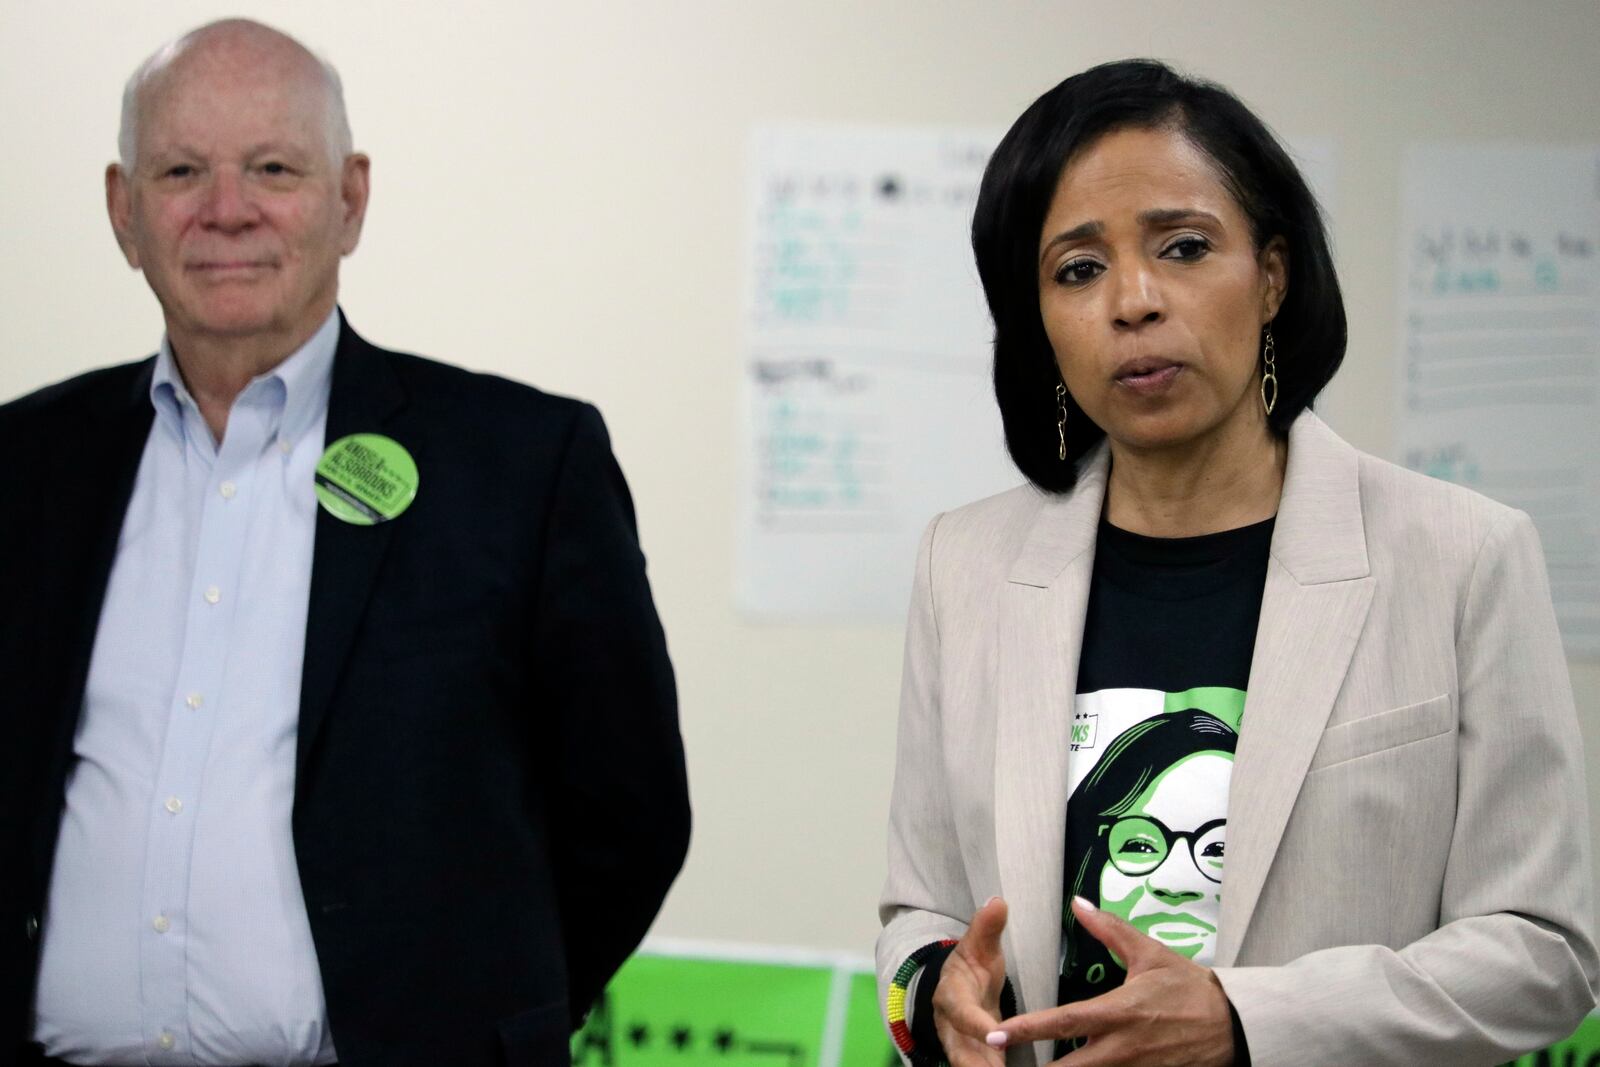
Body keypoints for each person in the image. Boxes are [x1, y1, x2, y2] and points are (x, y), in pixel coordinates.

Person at [876, 58, 1597, 1067]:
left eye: (1181, 246)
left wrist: (1245, 1019)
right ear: (1037, 318)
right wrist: (933, 988)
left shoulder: (1462, 554)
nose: (1132, 300)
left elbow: (1542, 949)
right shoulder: (966, 562)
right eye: (1076, 268)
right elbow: (919, 902)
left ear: (1271, 274)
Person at [1, 19, 689, 1067]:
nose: (227, 209)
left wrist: (483, 1015)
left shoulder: (519, 466)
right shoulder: (23, 464)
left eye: (273, 168)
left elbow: (629, 813)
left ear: (349, 199)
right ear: (123, 210)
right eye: (182, 169)